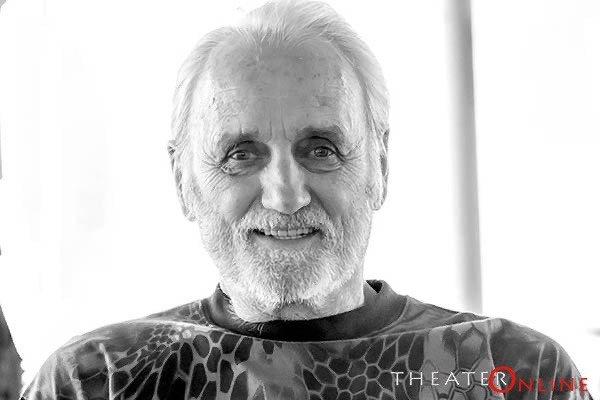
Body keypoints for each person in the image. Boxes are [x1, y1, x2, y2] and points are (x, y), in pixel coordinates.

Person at [21, 1, 592, 399]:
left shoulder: (515, 372)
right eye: (240, 154)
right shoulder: (97, 380)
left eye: (321, 149)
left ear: (380, 165)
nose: (286, 195)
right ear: (182, 180)